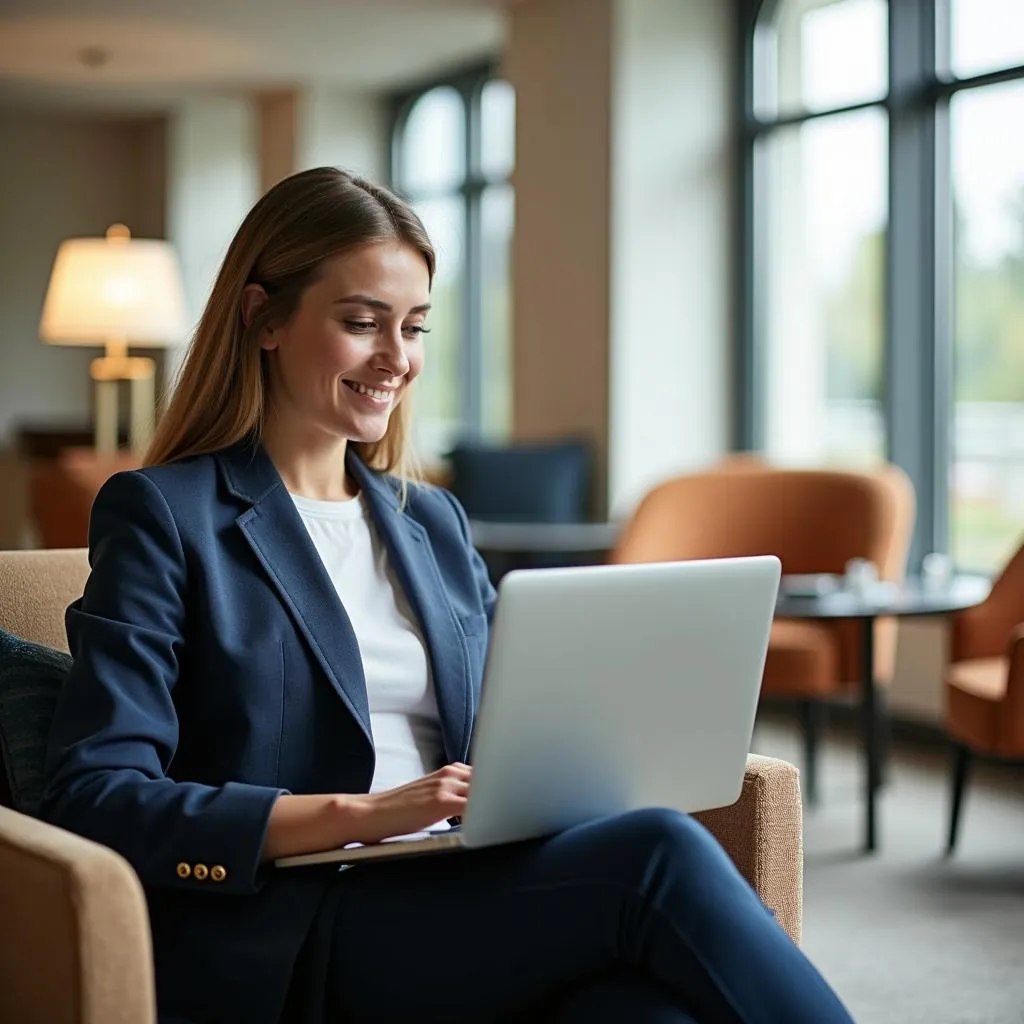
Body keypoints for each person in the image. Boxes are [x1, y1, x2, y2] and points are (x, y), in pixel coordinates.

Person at [39, 167, 854, 1024]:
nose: (398, 358)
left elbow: (515, 728)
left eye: (415, 327)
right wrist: (363, 814)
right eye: (362, 323)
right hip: (297, 926)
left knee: (645, 1014)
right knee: (655, 854)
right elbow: (97, 794)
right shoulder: (166, 515)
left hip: (461, 886)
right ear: (263, 317)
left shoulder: (430, 519)